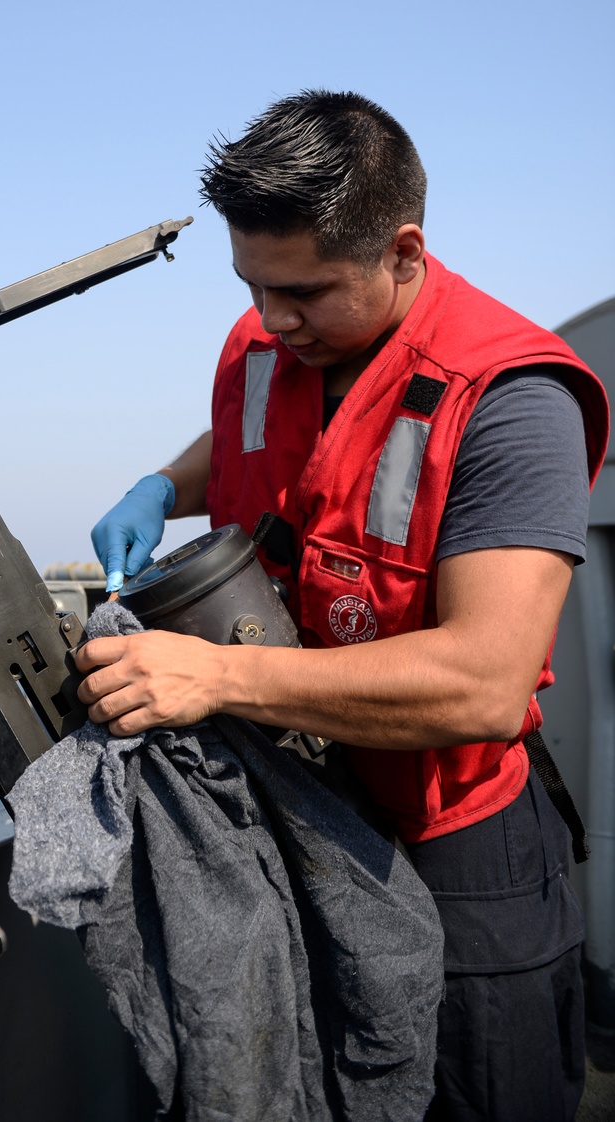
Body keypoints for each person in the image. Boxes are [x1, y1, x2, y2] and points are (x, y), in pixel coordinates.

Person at [75, 91, 610, 1122]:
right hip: (297, 800)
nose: (272, 319)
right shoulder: (272, 340)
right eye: (253, 285)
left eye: (305, 292)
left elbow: (485, 683)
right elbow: (271, 442)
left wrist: (216, 675)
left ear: (403, 251)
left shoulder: (510, 399)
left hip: (452, 835)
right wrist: (163, 485)